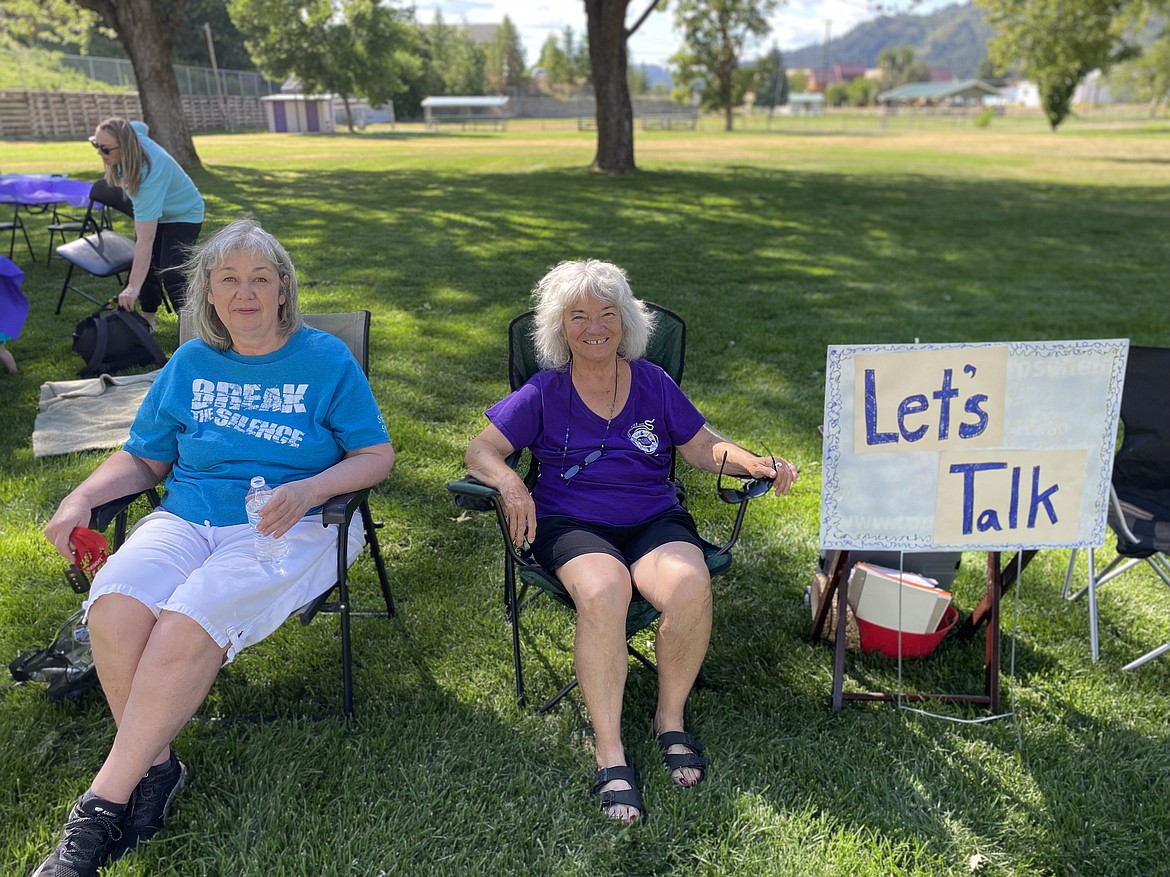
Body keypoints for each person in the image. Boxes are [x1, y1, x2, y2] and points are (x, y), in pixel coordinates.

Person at [35, 219, 394, 876]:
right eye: (229, 279)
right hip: (190, 513)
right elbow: (145, 457)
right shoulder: (192, 361)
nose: (245, 292)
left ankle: (95, 810)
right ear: (208, 290)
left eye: (261, 278)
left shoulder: (324, 360)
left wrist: (312, 488)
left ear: (284, 288)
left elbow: (376, 454)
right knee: (113, 603)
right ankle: (158, 765)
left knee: (184, 622)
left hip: (286, 524)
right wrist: (80, 498)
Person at [464, 259, 798, 825]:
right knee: (603, 591)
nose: (594, 327)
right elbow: (480, 451)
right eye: (578, 316)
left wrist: (754, 463)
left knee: (690, 583)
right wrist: (512, 482)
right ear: (558, 328)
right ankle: (610, 750)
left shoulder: (653, 383)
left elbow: (700, 447)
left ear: (626, 322)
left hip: (652, 518)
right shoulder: (543, 391)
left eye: (606, 313)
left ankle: (669, 719)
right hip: (572, 523)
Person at [90, 117, 204, 331]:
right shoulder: (132, 132)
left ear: (125, 146)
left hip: (184, 212)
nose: (99, 153)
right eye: (95, 144)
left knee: (172, 271)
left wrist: (132, 288)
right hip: (157, 208)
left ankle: (192, 329)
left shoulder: (146, 178)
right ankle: (148, 320)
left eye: (105, 149)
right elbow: (142, 125)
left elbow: (145, 239)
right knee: (146, 266)